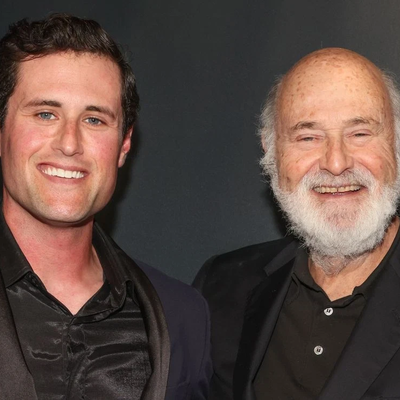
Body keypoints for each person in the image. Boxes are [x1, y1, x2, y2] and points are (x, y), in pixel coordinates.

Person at [0, 13, 211, 400]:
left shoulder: (182, 316)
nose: (69, 143)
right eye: (45, 114)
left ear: (124, 145)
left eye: (94, 120)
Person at [194, 47, 400, 400]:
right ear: (271, 152)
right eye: (308, 138)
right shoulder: (219, 287)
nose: (336, 163)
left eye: (360, 133)